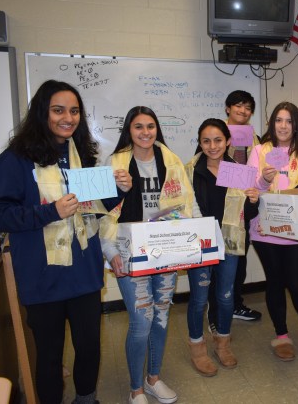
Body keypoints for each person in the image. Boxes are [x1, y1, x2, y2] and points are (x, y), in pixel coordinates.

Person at [0, 80, 132, 404]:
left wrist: (119, 189)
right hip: (43, 277)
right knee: (49, 356)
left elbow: (94, 206)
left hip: (84, 274)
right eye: (58, 110)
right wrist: (50, 211)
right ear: (42, 113)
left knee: (89, 348)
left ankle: (86, 399)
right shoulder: (15, 160)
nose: (68, 118)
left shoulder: (82, 155)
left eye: (74, 111)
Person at [100, 106, 200, 404]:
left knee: (161, 318)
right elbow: (103, 211)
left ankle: (153, 378)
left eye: (150, 126)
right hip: (129, 253)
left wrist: (199, 237)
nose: (146, 132)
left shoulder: (171, 160)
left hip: (166, 250)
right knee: (141, 322)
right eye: (138, 127)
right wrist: (109, 251)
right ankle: (136, 389)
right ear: (129, 131)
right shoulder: (115, 163)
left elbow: (189, 201)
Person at [247, 101, 298, 363]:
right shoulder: (258, 151)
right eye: (279, 120)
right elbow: (249, 191)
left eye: (289, 121)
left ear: (296, 126)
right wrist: (264, 180)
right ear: (272, 123)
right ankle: (281, 335)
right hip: (265, 230)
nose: (283, 126)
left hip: (296, 233)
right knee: (274, 282)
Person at [185, 118, 260, 376]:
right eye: (206, 141)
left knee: (226, 296)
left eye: (218, 140)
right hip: (200, 243)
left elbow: (248, 215)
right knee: (198, 298)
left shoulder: (238, 171)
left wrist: (253, 201)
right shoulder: (189, 171)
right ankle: (197, 348)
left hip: (229, 242)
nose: (212, 146)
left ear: (228, 141)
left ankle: (223, 344)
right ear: (200, 143)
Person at [207, 90, 262, 325]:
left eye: (248, 108)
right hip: (219, 208)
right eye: (238, 106)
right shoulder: (215, 133)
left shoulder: (255, 138)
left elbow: (259, 167)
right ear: (228, 108)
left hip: (244, 208)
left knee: (240, 261)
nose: (243, 111)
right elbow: (205, 166)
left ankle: (236, 304)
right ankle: (215, 312)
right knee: (216, 263)